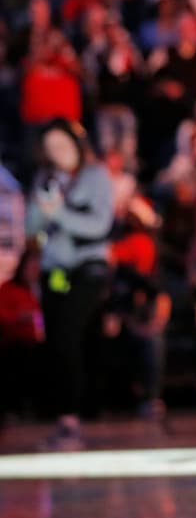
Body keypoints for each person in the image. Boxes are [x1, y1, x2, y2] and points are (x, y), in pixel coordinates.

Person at [25, 119, 114, 450]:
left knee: (70, 333)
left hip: (88, 267)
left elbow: (99, 225)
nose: (56, 153)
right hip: (56, 269)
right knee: (57, 335)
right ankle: (67, 411)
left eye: (61, 145)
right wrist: (41, 207)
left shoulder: (95, 177)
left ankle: (72, 415)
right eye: (50, 148)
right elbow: (32, 228)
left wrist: (59, 213)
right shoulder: (46, 179)